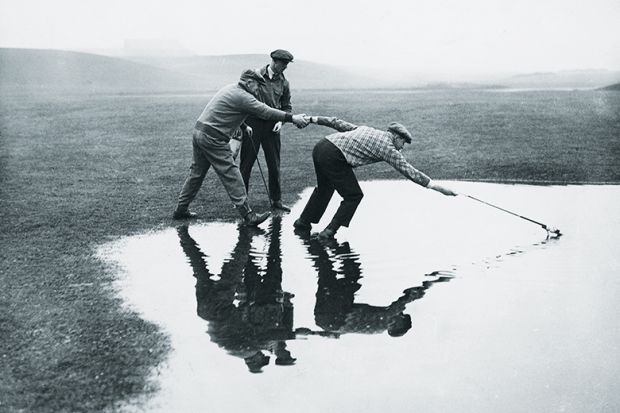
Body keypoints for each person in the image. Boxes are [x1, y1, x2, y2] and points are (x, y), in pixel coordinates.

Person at [173, 69, 309, 226]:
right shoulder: (243, 96)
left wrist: (243, 126)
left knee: (196, 173)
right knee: (232, 173)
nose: (259, 90)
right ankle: (249, 215)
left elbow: (228, 111)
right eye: (258, 86)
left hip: (199, 132)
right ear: (249, 83)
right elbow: (265, 111)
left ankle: (181, 209)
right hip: (213, 138)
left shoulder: (230, 88)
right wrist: (292, 118)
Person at [293, 116, 458, 239]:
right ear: (397, 137)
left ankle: (303, 222)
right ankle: (329, 232)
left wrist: (313, 119)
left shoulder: (368, 129)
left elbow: (337, 122)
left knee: (325, 188)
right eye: (403, 143)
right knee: (354, 195)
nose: (402, 148)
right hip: (334, 156)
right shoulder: (388, 148)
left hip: (321, 147)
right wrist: (437, 187)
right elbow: (409, 171)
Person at [176, 217, 296, 373]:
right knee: (199, 268)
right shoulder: (235, 350)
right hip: (205, 312)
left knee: (235, 266)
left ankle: (246, 231)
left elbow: (253, 326)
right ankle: (184, 237)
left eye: (262, 357)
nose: (262, 354)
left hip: (220, 308)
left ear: (255, 360)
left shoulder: (250, 347)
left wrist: (244, 299)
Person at [239, 49, 295, 212]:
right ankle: (242, 202)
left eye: (286, 65)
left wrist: (280, 121)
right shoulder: (255, 75)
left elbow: (287, 107)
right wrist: (244, 124)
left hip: (272, 127)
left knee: (274, 164)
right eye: (283, 64)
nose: (285, 67)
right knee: (246, 164)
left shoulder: (284, 82)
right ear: (275, 61)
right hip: (252, 124)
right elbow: (243, 100)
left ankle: (276, 200)